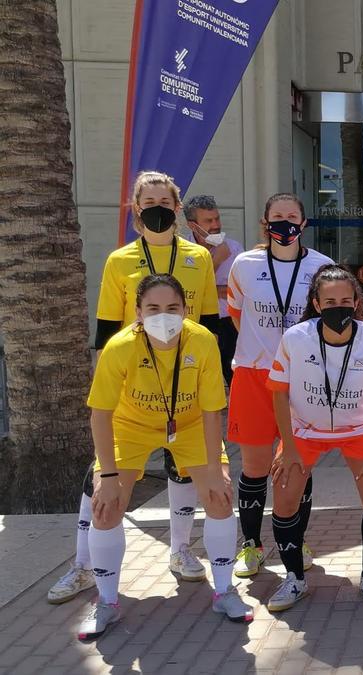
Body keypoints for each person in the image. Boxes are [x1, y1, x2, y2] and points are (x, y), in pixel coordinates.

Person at [50, 171, 221, 605]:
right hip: (134, 385)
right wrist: (107, 383)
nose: (158, 208)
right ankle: (83, 566)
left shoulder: (198, 258)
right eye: (149, 202)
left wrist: (218, 382)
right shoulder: (120, 260)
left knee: (185, 471)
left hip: (186, 382)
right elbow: (107, 329)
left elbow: (211, 323)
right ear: (136, 210)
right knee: (101, 483)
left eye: (166, 201)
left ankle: (181, 551)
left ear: (178, 208)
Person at [78, 275, 250, 639]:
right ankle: (107, 602)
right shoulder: (120, 347)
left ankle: (224, 591)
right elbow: (101, 414)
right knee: (106, 507)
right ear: (138, 313)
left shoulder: (202, 341)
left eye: (172, 308)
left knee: (220, 499)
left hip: (188, 425)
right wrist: (107, 477)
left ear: (186, 310)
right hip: (131, 426)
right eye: (153, 308)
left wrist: (215, 468)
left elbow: (210, 412)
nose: (163, 315)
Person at [263, 265, 363, 611]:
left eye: (345, 300)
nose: (338, 306)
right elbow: (278, 393)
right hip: (304, 431)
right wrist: (289, 447)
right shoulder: (295, 338)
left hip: (358, 430)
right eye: (329, 300)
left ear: (356, 301)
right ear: (316, 303)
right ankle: (295, 579)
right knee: (284, 499)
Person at [225, 194, 333, 579]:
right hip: (254, 375)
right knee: (254, 469)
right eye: (277, 217)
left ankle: (295, 540)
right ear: (265, 223)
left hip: (304, 379)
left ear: (303, 224)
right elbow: (238, 315)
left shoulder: (322, 266)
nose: (284, 223)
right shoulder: (245, 264)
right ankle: (251, 546)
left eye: (292, 217)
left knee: (298, 464)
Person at [184, 195, 244, 383]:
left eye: (217, 218)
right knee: (197, 375)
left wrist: (208, 289)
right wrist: (215, 261)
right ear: (193, 225)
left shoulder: (234, 249)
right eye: (208, 221)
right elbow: (185, 291)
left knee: (233, 375)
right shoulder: (182, 250)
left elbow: (239, 292)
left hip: (227, 322)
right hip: (195, 320)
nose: (215, 225)